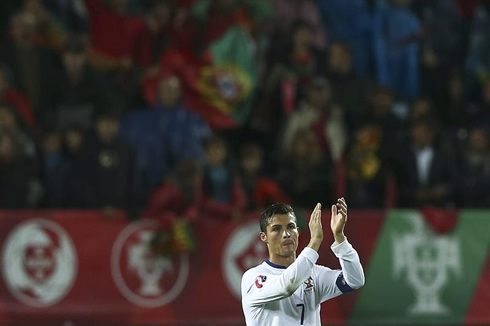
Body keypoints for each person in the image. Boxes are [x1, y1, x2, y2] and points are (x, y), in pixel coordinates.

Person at [241, 199, 364, 325]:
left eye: (291, 227)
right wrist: (315, 241)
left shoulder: (315, 274)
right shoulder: (253, 278)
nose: (286, 234)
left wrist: (340, 238)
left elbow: (355, 281)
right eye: (276, 229)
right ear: (264, 237)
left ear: (298, 232)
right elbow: (287, 286)